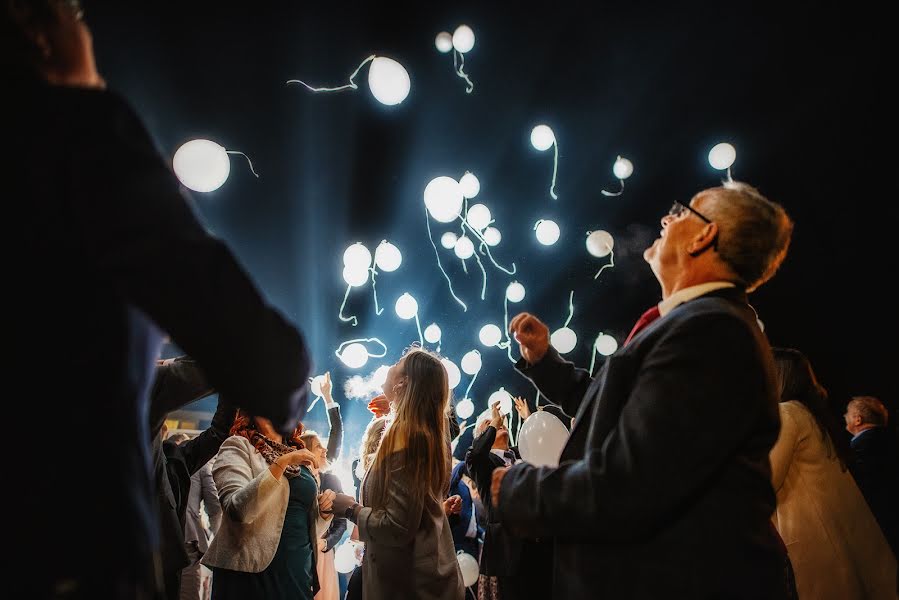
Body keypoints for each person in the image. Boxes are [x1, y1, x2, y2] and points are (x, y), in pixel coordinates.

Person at [6, 2, 312, 597]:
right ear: (41, 35)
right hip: (60, 527)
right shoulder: (80, 134)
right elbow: (241, 335)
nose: (85, 25)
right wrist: (284, 384)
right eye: (74, 10)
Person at [494, 182, 795, 598]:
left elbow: (626, 485)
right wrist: (545, 360)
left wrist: (516, 488)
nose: (665, 219)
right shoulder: (693, 324)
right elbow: (615, 414)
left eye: (680, 211)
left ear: (705, 235)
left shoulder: (710, 332)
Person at [331, 349, 464, 600]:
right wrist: (396, 406)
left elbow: (397, 527)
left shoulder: (408, 436)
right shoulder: (424, 433)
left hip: (409, 586)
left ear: (403, 382)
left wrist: (349, 509)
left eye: (397, 363)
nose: (390, 366)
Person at [769, 348, 896, 598]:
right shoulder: (811, 414)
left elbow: (765, 480)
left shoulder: (787, 414)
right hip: (839, 545)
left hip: (814, 548)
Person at [202, 411, 335, 599]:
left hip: (297, 573)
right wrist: (282, 463)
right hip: (251, 577)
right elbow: (238, 510)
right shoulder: (237, 446)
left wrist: (323, 513)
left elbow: (303, 523)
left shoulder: (298, 456)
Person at [466, 402, 552, 600]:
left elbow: (542, 446)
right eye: (489, 424)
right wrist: (493, 424)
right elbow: (475, 454)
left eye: (500, 422)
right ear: (482, 437)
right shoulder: (483, 463)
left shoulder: (522, 454)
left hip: (540, 549)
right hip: (506, 554)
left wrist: (530, 421)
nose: (500, 423)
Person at [845, 395, 899, 557]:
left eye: (847, 413)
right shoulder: (890, 439)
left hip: (878, 518)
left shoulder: (859, 448)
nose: (844, 416)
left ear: (857, 419)